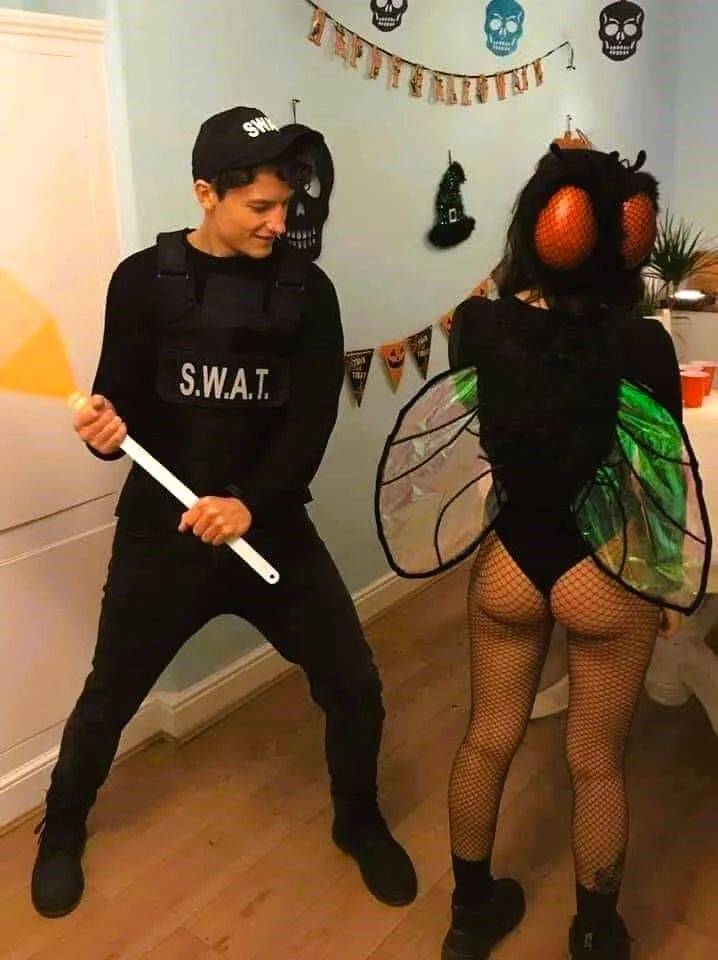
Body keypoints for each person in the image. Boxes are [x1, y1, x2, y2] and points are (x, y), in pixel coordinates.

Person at [31, 106, 416, 918]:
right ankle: (60, 830)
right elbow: (117, 408)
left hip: (269, 529)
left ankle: (358, 819)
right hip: (162, 536)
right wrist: (103, 433)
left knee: (354, 684)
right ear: (206, 194)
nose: (280, 223)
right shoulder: (143, 281)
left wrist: (247, 504)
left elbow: (310, 421)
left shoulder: (308, 291)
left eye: (287, 205)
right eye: (260, 207)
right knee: (109, 694)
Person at [375, 146, 711, 959]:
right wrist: (667, 587)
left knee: (487, 737)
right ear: (628, 244)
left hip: (509, 565)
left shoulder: (479, 326)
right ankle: (596, 931)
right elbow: (656, 476)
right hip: (604, 570)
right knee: (596, 761)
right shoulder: (643, 344)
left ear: (537, 227)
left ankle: (469, 916)